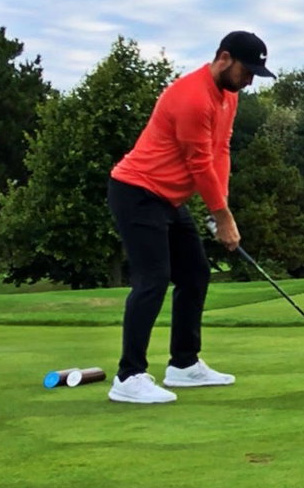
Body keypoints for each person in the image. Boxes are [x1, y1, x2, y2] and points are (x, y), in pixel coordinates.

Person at [104, 31, 275, 404]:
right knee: (153, 279)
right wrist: (223, 217)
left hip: (168, 198)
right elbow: (198, 163)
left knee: (195, 273)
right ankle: (128, 376)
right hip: (137, 191)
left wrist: (222, 209)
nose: (249, 80)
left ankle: (183, 365)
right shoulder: (192, 98)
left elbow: (220, 150)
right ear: (224, 58)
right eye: (247, 71)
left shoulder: (228, 98)